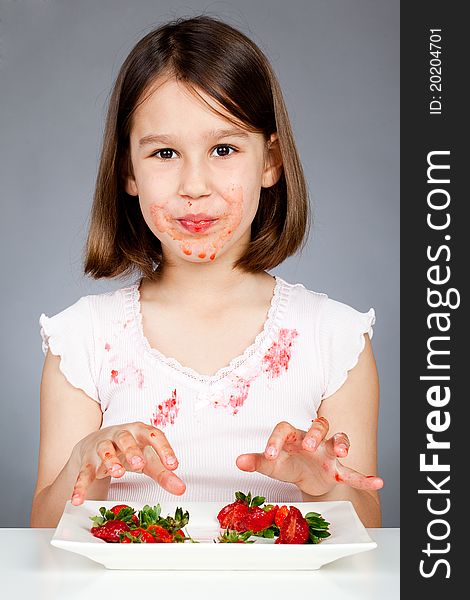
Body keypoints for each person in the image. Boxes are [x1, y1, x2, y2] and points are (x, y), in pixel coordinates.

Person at [30, 15, 383, 529]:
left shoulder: (335, 339)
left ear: (270, 162)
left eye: (224, 149)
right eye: (165, 153)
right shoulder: (82, 339)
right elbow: (40, 536)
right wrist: (88, 462)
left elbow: (368, 535)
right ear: (128, 170)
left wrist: (322, 482)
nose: (194, 184)